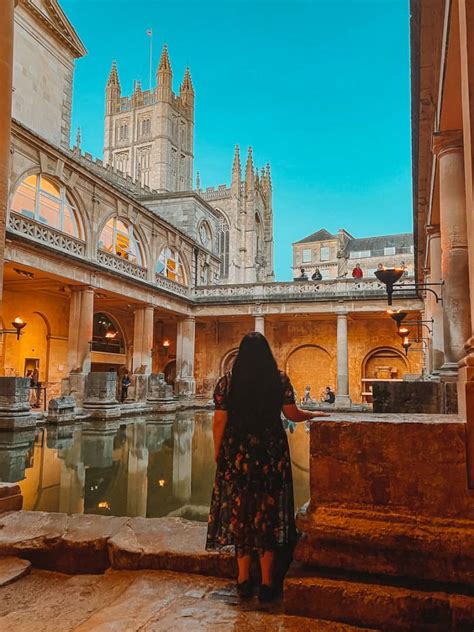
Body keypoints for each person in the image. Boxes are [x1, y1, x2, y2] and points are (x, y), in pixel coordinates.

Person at [206, 332, 330, 602]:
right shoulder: (279, 379)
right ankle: (266, 582)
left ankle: (242, 580)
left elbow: (219, 421)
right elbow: (291, 414)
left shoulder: (228, 382)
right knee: (268, 513)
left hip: (238, 453)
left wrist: (218, 452)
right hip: (270, 454)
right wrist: (313, 414)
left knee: (241, 511)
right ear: (267, 354)